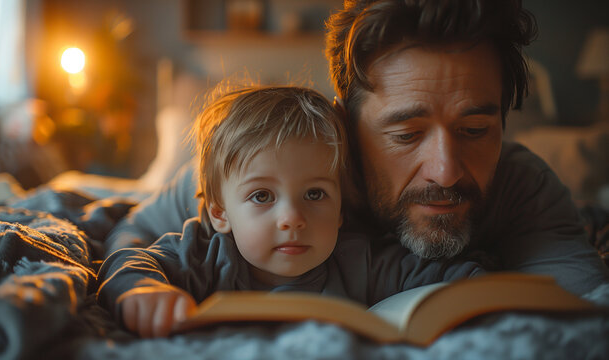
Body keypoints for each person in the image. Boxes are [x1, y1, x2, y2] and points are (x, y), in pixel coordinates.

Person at [104, 0, 608, 295]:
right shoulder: (265, 166)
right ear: (343, 118)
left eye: (475, 130)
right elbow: (132, 234)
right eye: (406, 134)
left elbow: (583, 310)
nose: (446, 171)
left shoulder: (522, 186)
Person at [96, 86, 483, 338]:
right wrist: (143, 290)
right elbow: (127, 261)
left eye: (315, 194)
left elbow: (458, 279)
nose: (292, 217)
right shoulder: (206, 253)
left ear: (341, 212)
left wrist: (484, 290)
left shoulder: (358, 259)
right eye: (262, 196)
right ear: (220, 213)